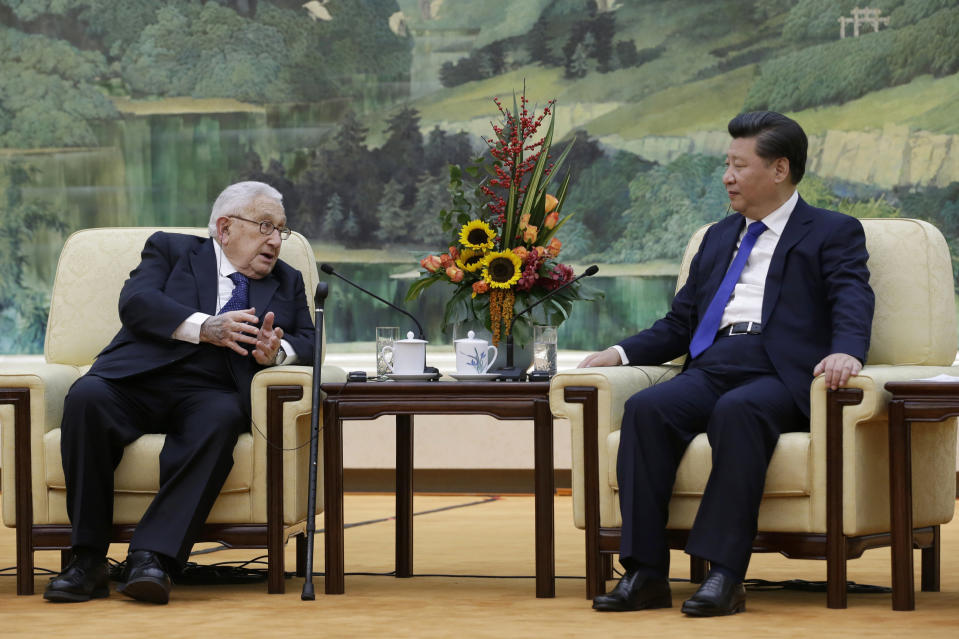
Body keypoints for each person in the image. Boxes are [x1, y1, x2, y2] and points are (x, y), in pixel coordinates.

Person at [580, 112, 874, 616]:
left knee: (737, 412)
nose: (727, 177)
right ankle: (645, 573)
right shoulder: (717, 236)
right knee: (648, 410)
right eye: (726, 164)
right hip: (714, 363)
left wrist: (848, 349)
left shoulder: (831, 231)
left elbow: (852, 296)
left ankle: (724, 575)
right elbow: (680, 323)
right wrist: (620, 353)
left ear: (779, 169)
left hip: (780, 372)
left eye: (739, 165)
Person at [43, 181, 315, 604]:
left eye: (281, 230)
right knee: (85, 398)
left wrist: (277, 352)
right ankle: (87, 560)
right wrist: (204, 327)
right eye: (265, 226)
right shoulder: (171, 251)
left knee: (220, 419)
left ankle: (153, 558)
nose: (276, 241)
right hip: (136, 379)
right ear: (225, 228)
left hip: (213, 390)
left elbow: (310, 341)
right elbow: (136, 302)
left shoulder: (287, 280)